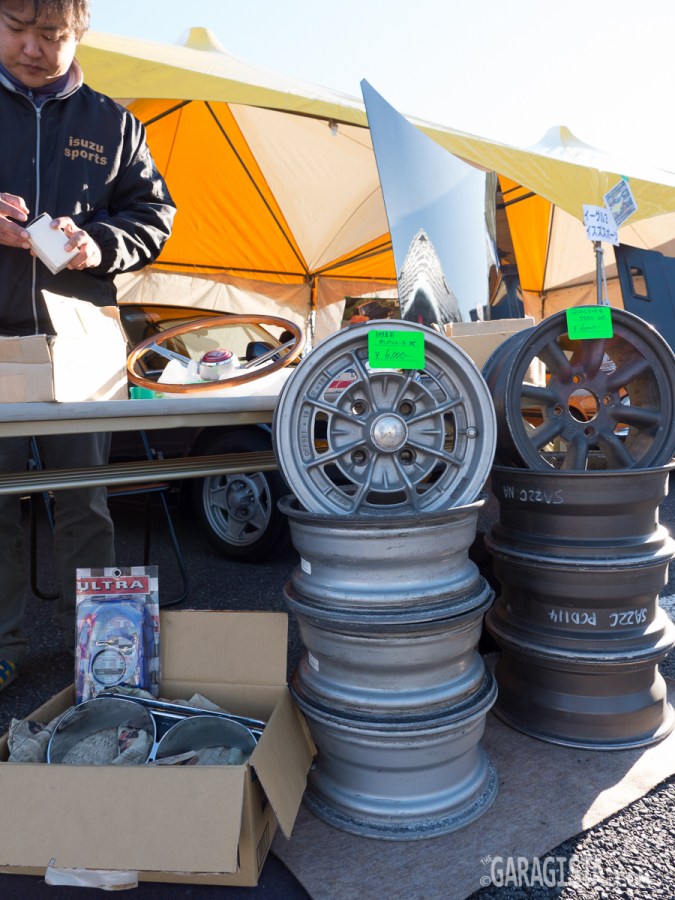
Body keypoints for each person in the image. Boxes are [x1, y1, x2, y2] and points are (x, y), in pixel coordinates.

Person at [0, 0, 176, 690]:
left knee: (86, 501)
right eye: (16, 29)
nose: (32, 48)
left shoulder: (114, 123)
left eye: (51, 35)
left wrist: (96, 243)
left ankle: (102, 652)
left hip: (81, 342)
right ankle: (1, 643)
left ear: (77, 36)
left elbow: (154, 216)